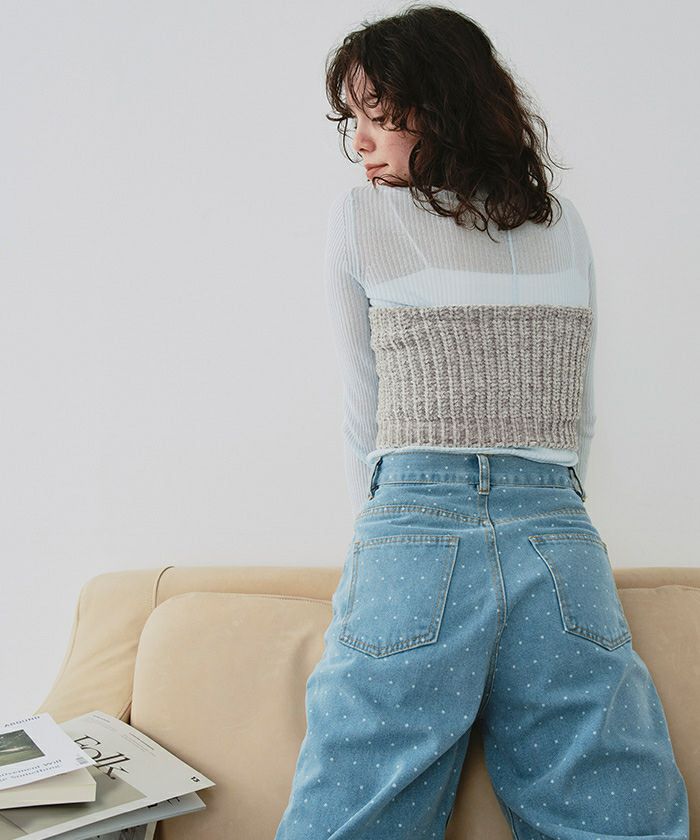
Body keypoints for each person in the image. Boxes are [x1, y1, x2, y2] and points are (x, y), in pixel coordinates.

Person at [274, 5, 690, 839]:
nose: (360, 141)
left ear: (438, 104)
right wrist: (546, 506)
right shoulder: (561, 224)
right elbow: (580, 420)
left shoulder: (361, 218)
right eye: (351, 119)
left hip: (413, 526)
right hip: (559, 535)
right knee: (615, 815)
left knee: (355, 814)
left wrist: (382, 545)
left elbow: (364, 414)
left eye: (377, 112)